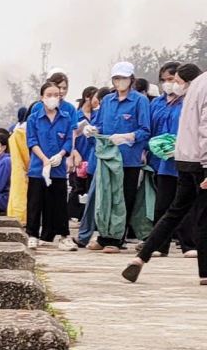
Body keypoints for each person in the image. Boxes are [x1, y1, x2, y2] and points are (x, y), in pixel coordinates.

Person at [123, 63, 207, 283]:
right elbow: (205, 130)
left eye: (177, 81)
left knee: (174, 212)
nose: (174, 85)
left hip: (184, 159)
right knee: (202, 217)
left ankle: (141, 257)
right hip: (200, 161)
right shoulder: (203, 87)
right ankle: (205, 272)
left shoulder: (193, 91)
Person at [81, 61, 152, 249]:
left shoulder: (140, 101)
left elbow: (145, 130)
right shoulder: (107, 101)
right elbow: (100, 125)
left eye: (124, 78)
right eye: (116, 78)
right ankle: (104, 236)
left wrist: (128, 136)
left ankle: (117, 239)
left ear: (131, 79)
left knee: (124, 198)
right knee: (106, 198)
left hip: (129, 159)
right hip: (108, 158)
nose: (120, 81)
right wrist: (93, 130)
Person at [25, 79, 76, 249]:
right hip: (38, 168)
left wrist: (61, 155)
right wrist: (44, 159)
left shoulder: (66, 118)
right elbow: (32, 141)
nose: (53, 97)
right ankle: (32, 234)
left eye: (56, 94)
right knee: (35, 202)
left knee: (59, 203)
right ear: (42, 97)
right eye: (49, 95)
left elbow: (68, 140)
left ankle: (64, 236)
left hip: (58, 168)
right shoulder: (34, 118)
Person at [147, 62, 187, 254]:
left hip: (185, 158)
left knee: (186, 202)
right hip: (163, 160)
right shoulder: (157, 103)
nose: (168, 84)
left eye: (172, 79)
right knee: (162, 204)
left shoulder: (188, 101)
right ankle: (159, 245)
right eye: (164, 80)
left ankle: (188, 244)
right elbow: (150, 129)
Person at [70, 86, 101, 243]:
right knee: (78, 188)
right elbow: (70, 136)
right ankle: (76, 217)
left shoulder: (97, 114)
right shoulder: (76, 115)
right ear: (88, 97)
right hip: (80, 157)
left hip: (93, 157)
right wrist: (74, 153)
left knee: (90, 191)